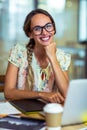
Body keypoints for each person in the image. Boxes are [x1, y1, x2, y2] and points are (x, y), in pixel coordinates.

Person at [4, 9, 71, 103]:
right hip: (21, 111)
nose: (44, 32)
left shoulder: (61, 57)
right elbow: (8, 92)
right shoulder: (19, 52)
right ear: (30, 34)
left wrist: (52, 57)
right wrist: (41, 95)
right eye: (37, 28)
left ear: (54, 29)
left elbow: (67, 94)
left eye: (48, 26)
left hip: (48, 112)